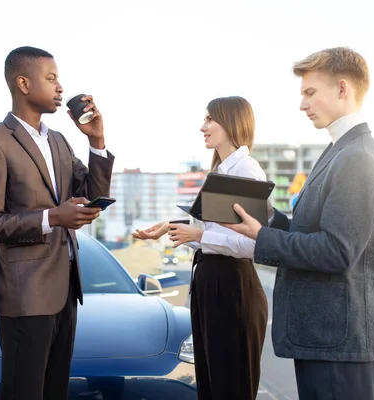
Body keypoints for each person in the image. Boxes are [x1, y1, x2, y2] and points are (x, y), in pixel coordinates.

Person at [221, 47, 374, 400]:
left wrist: (263, 238)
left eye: (309, 92)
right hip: (327, 338)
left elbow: (336, 251)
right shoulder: (339, 151)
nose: (302, 104)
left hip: (337, 340)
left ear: (343, 89)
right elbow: (315, 233)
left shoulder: (357, 157)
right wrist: (268, 219)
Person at [0, 46, 114, 400]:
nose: (60, 87)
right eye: (51, 79)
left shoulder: (60, 141)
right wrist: (52, 218)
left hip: (64, 290)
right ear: (22, 83)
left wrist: (96, 142)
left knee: (54, 393)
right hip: (25, 295)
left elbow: (91, 192)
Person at [133, 96, 268, 400]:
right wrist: (172, 228)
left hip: (233, 288)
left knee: (230, 388)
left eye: (210, 119)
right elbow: (214, 234)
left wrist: (199, 234)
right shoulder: (222, 171)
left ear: (232, 123)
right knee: (211, 386)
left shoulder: (246, 169)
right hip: (213, 285)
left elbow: (251, 244)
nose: (202, 127)